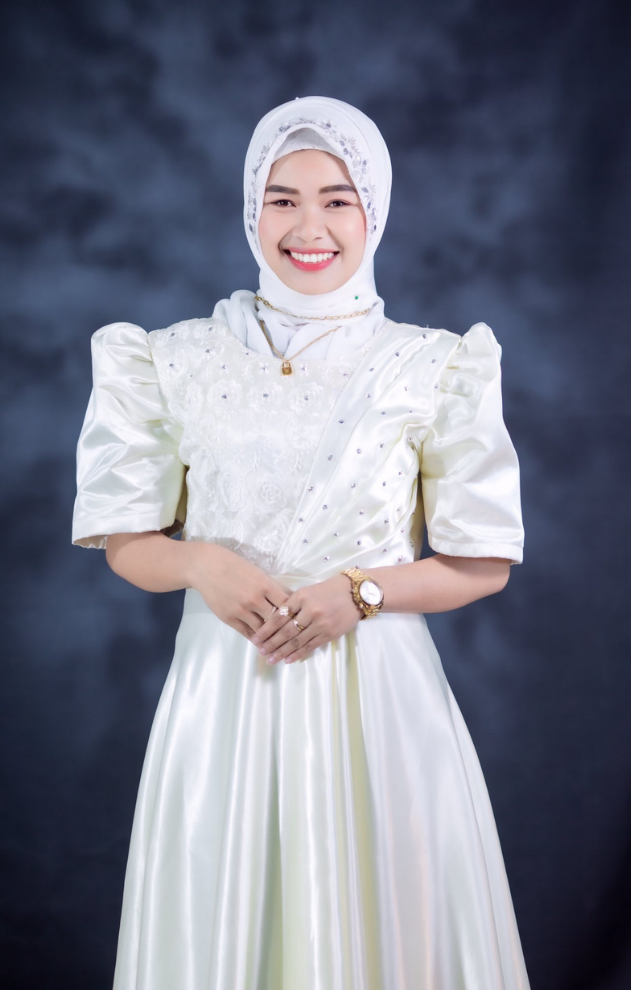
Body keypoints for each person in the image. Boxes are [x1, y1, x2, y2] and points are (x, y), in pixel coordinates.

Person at [72, 96, 530, 989]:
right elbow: (126, 541)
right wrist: (199, 562)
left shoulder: (434, 364)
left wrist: (358, 593)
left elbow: (482, 563)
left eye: (337, 199)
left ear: (374, 213)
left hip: (381, 704)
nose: (308, 227)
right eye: (282, 199)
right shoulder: (169, 358)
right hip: (224, 695)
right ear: (251, 208)